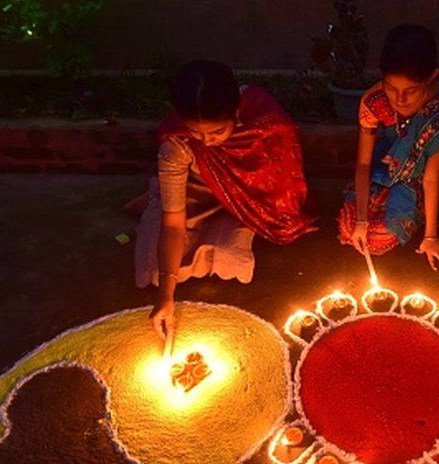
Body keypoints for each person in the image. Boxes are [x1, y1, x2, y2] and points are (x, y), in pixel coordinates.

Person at [135, 59, 316, 337]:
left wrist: (267, 208)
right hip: (193, 195)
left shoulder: (265, 125)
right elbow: (174, 222)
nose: (206, 142)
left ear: (236, 113)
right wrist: (166, 297)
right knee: (155, 270)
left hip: (244, 199)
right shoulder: (177, 146)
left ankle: (153, 198)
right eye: (196, 132)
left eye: (217, 132)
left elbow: (282, 179)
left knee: (230, 257)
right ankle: (156, 195)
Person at [337, 23, 439, 271]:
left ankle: (419, 215)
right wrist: (361, 220)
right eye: (391, 88)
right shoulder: (374, 101)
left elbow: (431, 179)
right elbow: (364, 163)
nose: (399, 100)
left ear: (431, 77)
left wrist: (430, 237)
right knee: (350, 228)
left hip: (420, 178)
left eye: (410, 91)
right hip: (386, 165)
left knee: (379, 238)